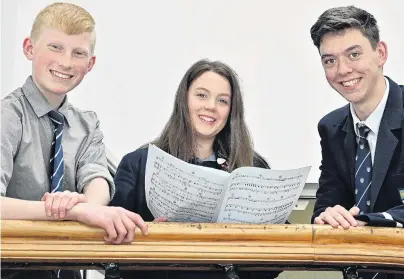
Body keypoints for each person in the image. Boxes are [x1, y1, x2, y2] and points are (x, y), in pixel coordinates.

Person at [1, 3, 147, 279]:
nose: (66, 62)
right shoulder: (7, 117)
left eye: (78, 53)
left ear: (90, 64)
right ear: (29, 48)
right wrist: (69, 212)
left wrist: (88, 207)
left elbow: (98, 179)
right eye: (55, 47)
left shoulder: (86, 125)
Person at [110, 59, 281, 279]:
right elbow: (111, 256)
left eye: (222, 101)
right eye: (201, 95)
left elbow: (277, 258)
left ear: (231, 110)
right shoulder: (138, 164)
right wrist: (151, 240)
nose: (211, 106)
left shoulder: (252, 168)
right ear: (184, 100)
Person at [310, 5, 404, 279]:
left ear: (380, 53)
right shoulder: (331, 127)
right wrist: (329, 215)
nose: (342, 70)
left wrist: (365, 221)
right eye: (329, 60)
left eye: (354, 54)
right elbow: (326, 203)